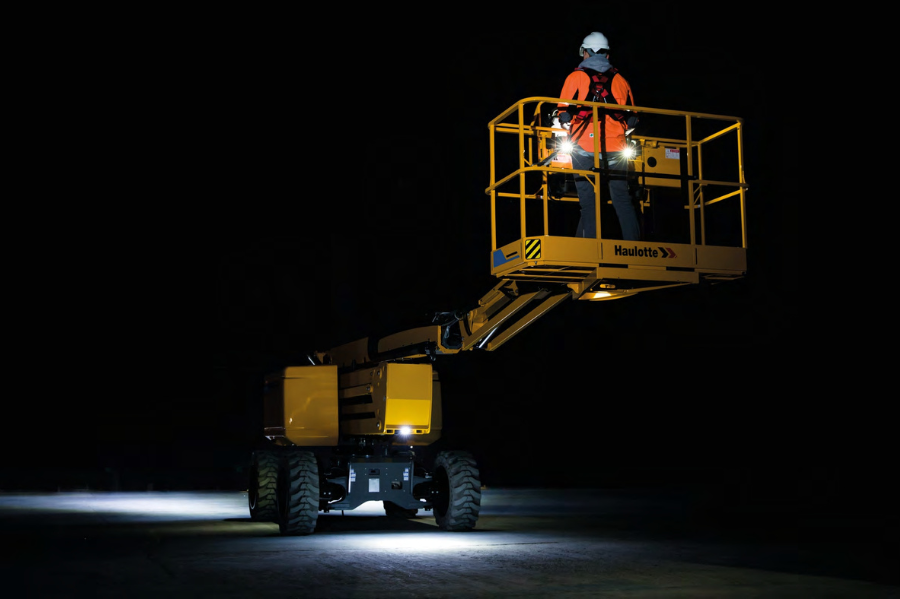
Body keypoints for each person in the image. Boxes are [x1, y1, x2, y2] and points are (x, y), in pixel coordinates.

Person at [555, 32, 642, 241]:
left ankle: (589, 251)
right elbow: (632, 119)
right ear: (607, 55)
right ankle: (635, 247)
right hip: (617, 150)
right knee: (622, 198)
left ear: (586, 53)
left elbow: (562, 113)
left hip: (583, 147)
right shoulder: (622, 81)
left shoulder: (574, 77)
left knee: (589, 202)